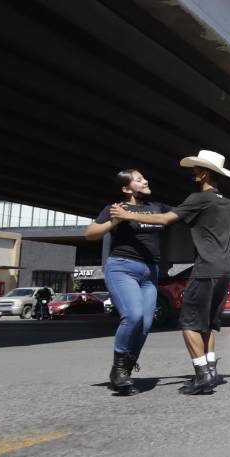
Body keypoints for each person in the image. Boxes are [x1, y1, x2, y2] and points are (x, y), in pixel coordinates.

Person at [111, 150, 230, 395]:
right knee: (206, 323)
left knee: (189, 323)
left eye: (196, 170)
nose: (193, 173)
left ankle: (202, 376)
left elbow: (165, 219)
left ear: (205, 173)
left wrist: (125, 214)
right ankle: (212, 372)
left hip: (206, 268)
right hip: (227, 270)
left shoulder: (198, 199)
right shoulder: (229, 203)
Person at [86, 169, 170, 395]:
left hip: (149, 272)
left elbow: (181, 215)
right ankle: (119, 369)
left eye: (145, 177)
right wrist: (113, 222)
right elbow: (91, 233)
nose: (146, 181)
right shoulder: (117, 208)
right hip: (122, 267)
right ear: (126, 188)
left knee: (145, 324)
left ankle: (125, 370)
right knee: (132, 316)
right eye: (139, 179)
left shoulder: (158, 207)